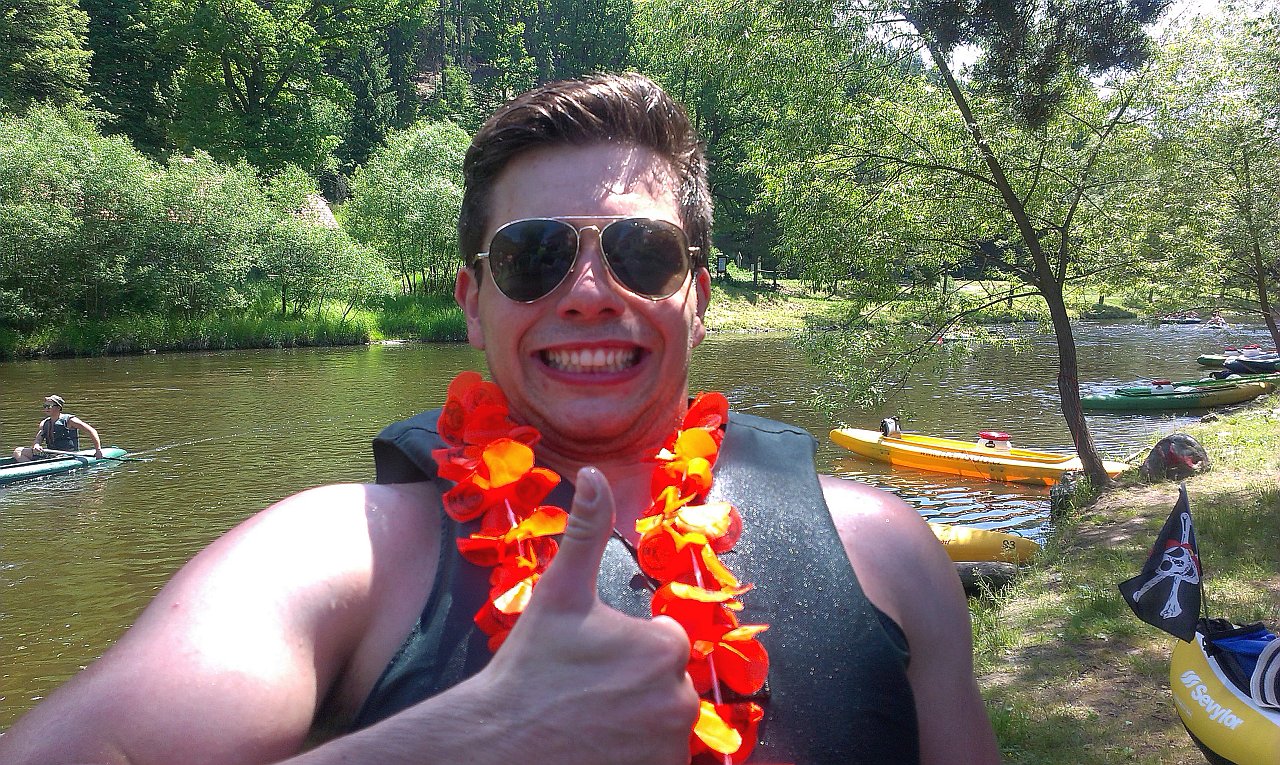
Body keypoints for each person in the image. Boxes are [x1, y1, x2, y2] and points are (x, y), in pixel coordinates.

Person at [0, 73, 1000, 764]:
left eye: (641, 254)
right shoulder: (336, 554)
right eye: (533, 256)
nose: (589, 294)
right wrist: (462, 741)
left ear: (697, 298)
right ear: (474, 301)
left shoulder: (890, 551)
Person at [12, 395, 104, 462]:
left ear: (59, 407)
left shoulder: (70, 420)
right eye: (45, 406)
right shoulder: (44, 423)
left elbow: (91, 431)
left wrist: (98, 450)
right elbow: (38, 439)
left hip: (67, 455)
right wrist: (36, 445)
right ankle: (32, 468)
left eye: (49, 406)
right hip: (51, 454)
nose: (46, 408)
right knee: (18, 451)